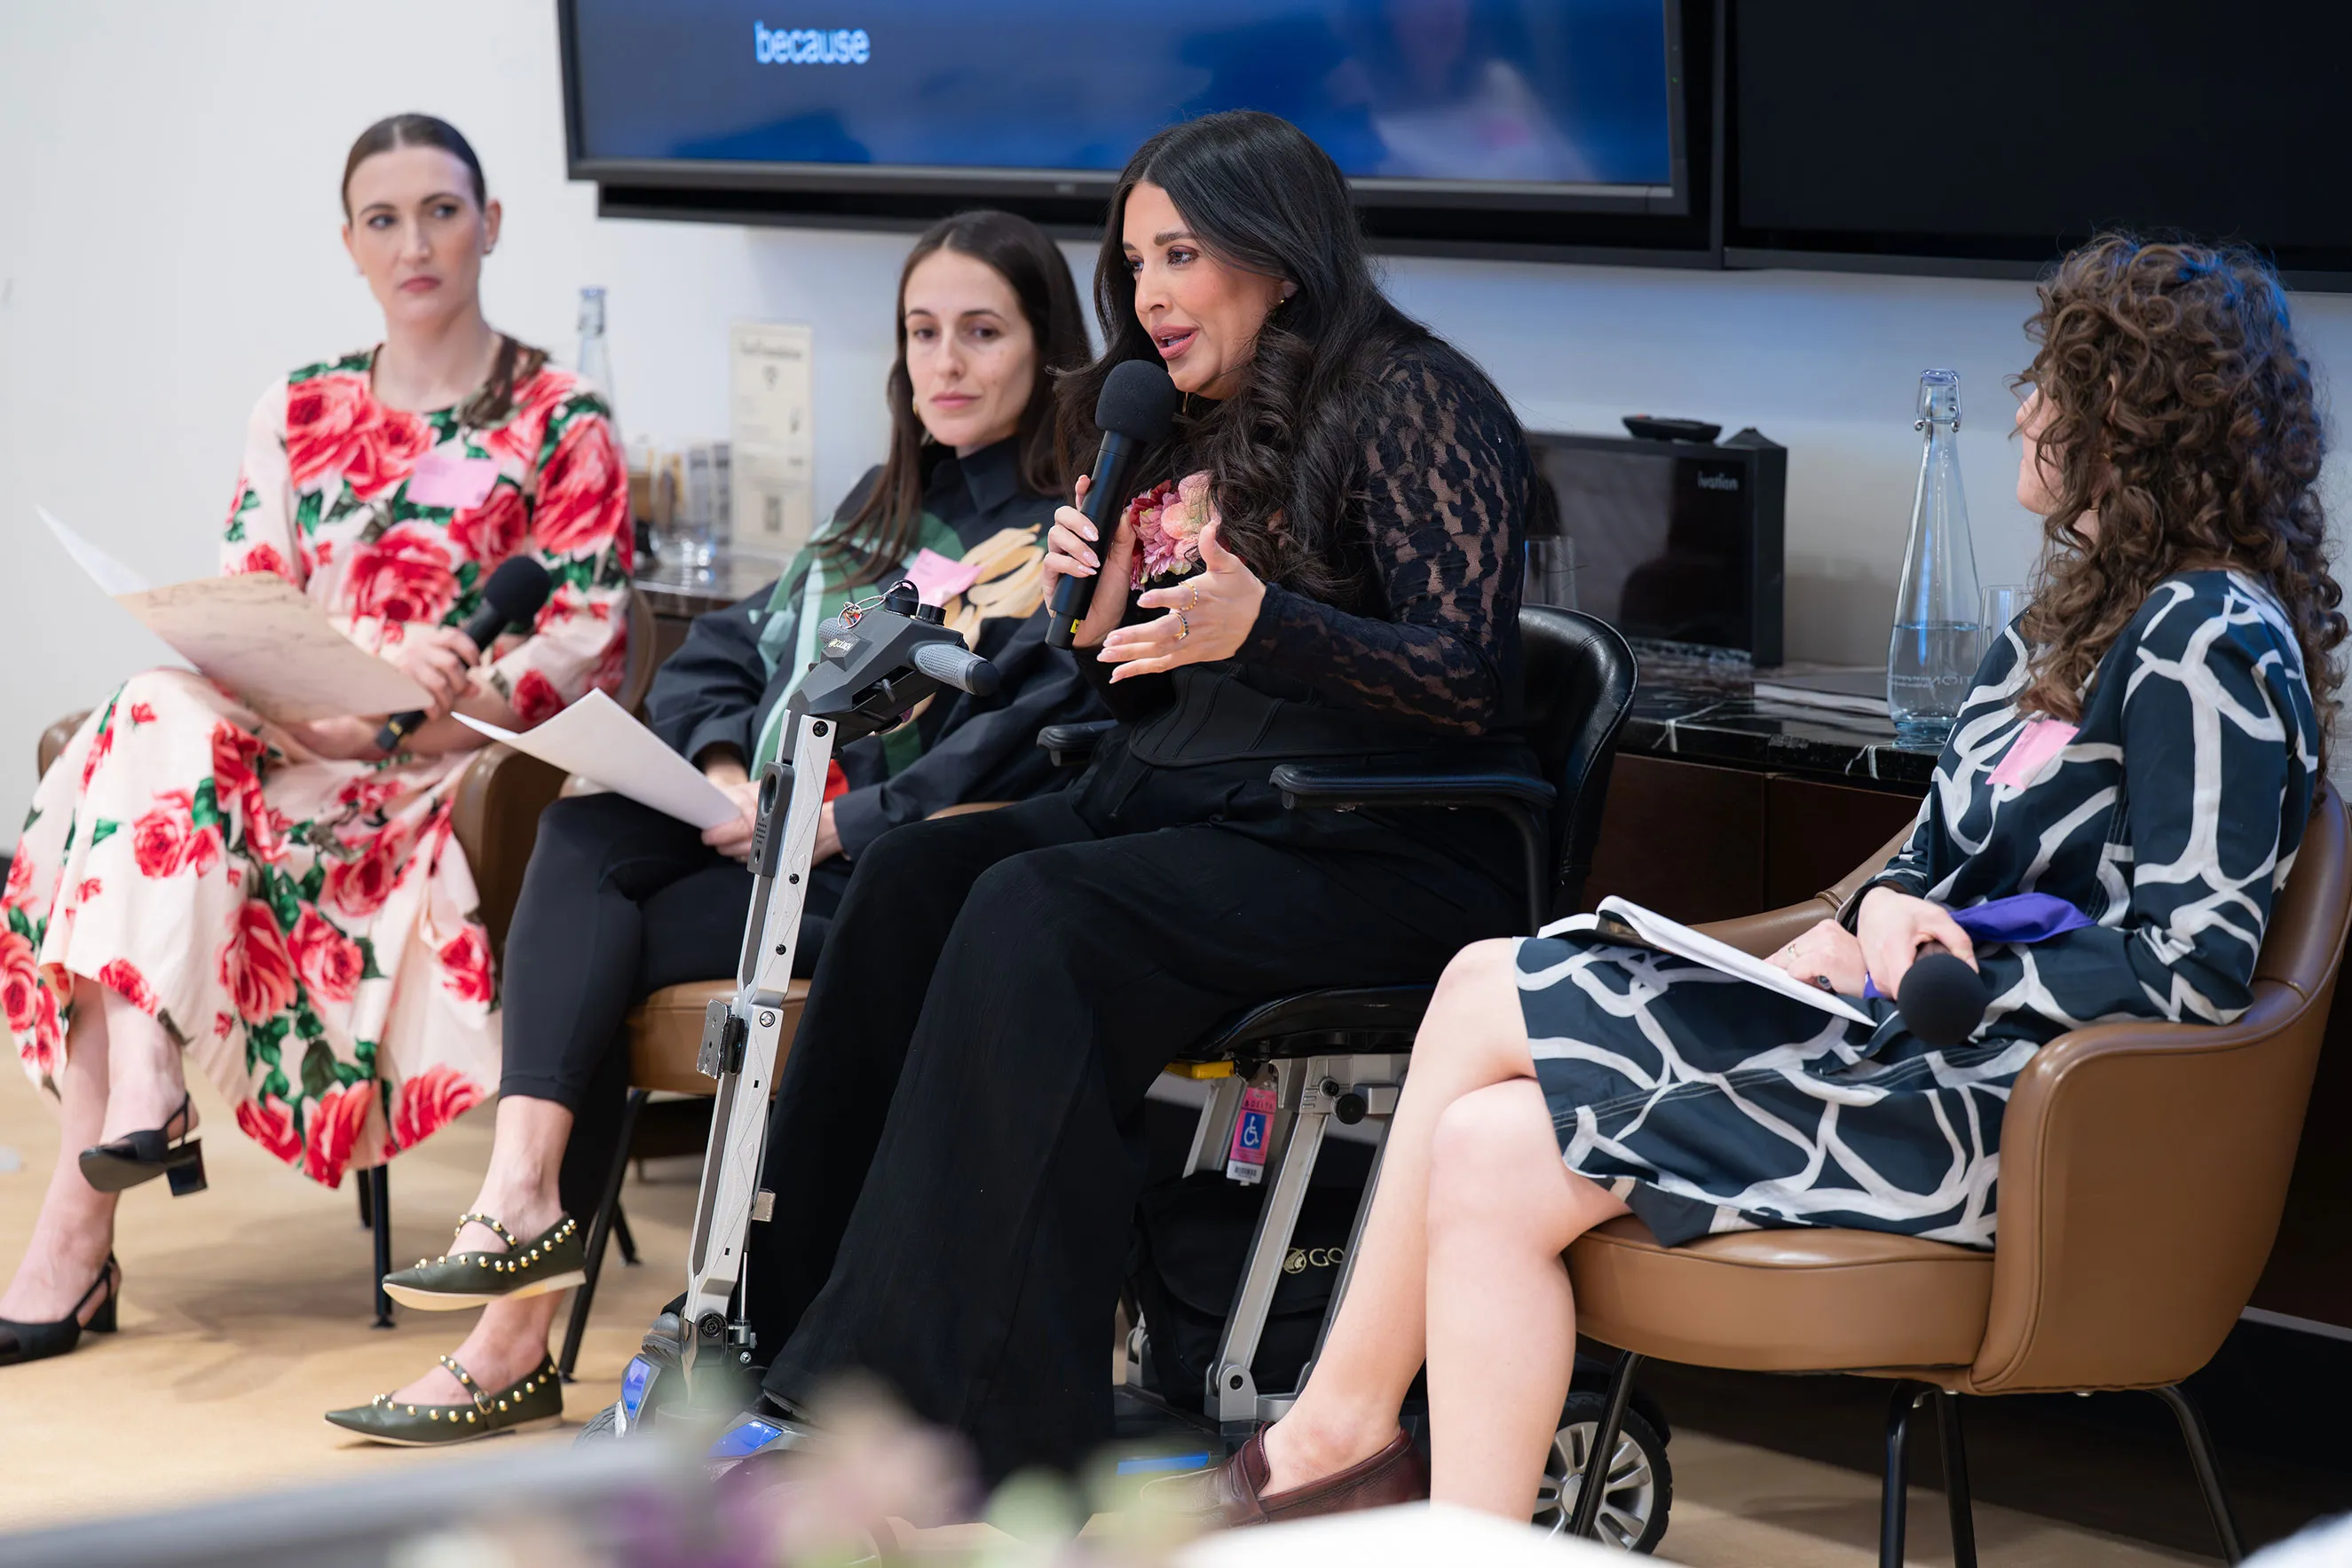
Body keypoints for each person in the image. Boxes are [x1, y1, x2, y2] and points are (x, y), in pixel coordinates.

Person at [1227, 234, 2340, 1524]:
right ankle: (1468, 1542)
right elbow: (1921, 862)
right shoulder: (2054, 620)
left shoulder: (2210, 634)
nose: (2024, 410)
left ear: (2134, 422)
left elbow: (2195, 967)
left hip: (2019, 1119)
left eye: (2055, 387)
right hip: (1900, 1051)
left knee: (1485, 980)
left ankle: (1327, 1442)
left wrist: (1961, 962)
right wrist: (1873, 917)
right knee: (1483, 1147)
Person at [604, 107, 1545, 1480]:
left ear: (1277, 257)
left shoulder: (1417, 399)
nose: (1148, 295)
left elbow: (1467, 677)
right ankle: (792, 1333)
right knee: (915, 878)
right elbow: (1152, 688)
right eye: (1133, 261)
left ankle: (950, 1410)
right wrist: (1096, 623)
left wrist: (1264, 625)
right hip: (1202, 804)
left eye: (1180, 255)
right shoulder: (1180, 424)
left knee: (1040, 915)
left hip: (1381, 840)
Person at [323, 209, 1103, 1444]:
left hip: (878, 882)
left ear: (1048, 350)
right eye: (920, 334)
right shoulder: (888, 501)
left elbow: (1027, 729)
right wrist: (729, 763)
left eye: (980, 332)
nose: (944, 364)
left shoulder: (1051, 537)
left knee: (592, 884)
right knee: (582, 842)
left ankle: (507, 1325)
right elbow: (732, 643)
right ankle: (518, 1220)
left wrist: (849, 821)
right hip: (765, 846)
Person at [0, 114, 633, 1367]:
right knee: (154, 701)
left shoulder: (562, 417)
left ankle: (80, 1219)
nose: (416, 242)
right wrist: (325, 706)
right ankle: (142, 1075)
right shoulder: (297, 407)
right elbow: (251, 608)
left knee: (124, 821)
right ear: (348, 242)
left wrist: (440, 697)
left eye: (442, 210)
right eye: (383, 218)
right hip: (290, 740)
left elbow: (585, 643)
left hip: (434, 775)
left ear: (490, 224)